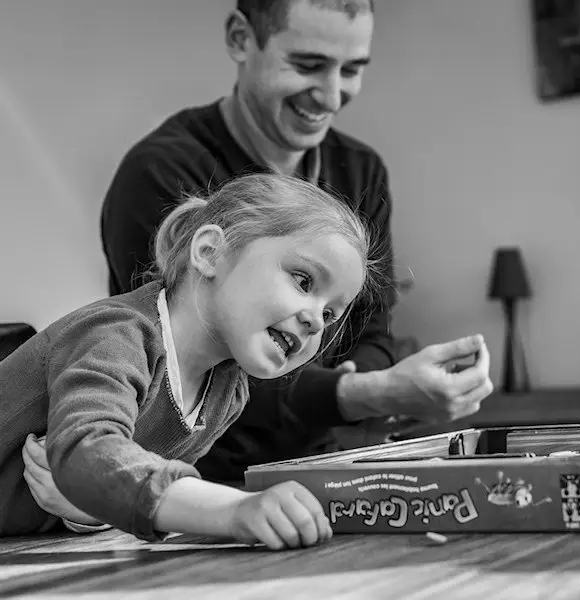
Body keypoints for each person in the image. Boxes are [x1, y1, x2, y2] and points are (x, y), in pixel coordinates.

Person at [31, 0, 494, 492]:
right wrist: (370, 394)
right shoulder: (159, 171)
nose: (332, 96)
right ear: (239, 38)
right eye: (308, 65)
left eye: (352, 70)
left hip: (319, 468)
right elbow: (191, 363)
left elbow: (370, 329)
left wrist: (373, 385)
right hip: (192, 481)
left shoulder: (363, 172)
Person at [1, 173, 378, 548]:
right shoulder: (116, 335)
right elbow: (87, 454)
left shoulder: (227, 393)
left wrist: (88, 509)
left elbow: (112, 485)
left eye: (330, 314)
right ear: (210, 252)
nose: (315, 320)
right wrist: (234, 510)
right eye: (303, 281)